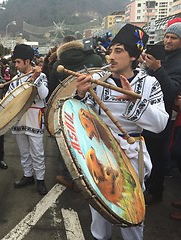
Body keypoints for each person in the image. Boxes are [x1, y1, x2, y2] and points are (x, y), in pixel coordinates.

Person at [74, 24, 169, 240]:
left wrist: (134, 101)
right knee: (99, 206)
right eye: (110, 50)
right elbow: (82, 116)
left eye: (119, 50)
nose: (111, 56)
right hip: (100, 151)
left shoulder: (148, 83)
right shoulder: (98, 80)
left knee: (131, 207)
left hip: (131, 153)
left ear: (134, 56)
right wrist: (79, 95)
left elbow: (160, 123)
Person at [49, 38, 103, 189]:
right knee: (92, 140)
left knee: (67, 140)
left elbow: (52, 91)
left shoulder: (57, 65)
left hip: (68, 108)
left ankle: (69, 177)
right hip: (92, 107)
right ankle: (95, 176)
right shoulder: (95, 58)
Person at [142, 20, 181, 205]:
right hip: (147, 110)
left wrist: (157, 68)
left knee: (157, 153)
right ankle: (146, 185)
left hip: (163, 115)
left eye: (173, 37)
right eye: (166, 36)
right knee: (146, 151)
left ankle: (156, 191)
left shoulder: (178, 62)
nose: (168, 41)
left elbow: (172, 90)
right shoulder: (161, 55)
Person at [7, 44, 49, 195]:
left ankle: (40, 179)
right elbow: (9, 97)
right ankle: (28, 175)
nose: (16, 65)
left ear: (27, 61)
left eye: (18, 62)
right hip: (19, 119)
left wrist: (35, 78)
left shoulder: (42, 76)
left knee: (37, 151)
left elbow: (43, 95)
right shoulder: (15, 79)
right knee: (24, 151)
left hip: (34, 117)